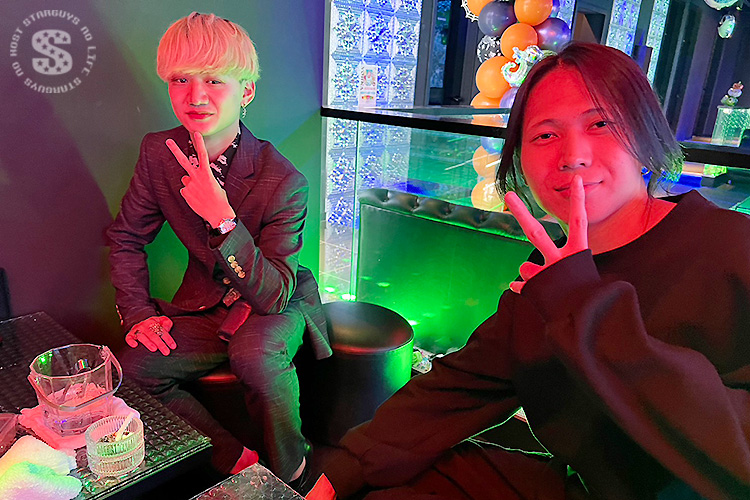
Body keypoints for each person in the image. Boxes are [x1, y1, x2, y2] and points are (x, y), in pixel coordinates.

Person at [308, 42, 750, 499]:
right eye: (545, 135)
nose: (573, 155)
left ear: (645, 134)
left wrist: (581, 306)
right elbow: (461, 385)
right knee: (392, 482)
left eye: (600, 123)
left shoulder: (732, 248)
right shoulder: (553, 273)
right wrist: (343, 472)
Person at [106, 13, 329, 483]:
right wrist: (138, 314)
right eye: (180, 80)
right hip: (209, 305)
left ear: (246, 91)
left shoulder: (284, 179)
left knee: (255, 357)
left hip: (275, 298)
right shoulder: (159, 154)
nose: (195, 96)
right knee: (134, 369)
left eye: (213, 80)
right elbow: (126, 238)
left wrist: (222, 219)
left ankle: (296, 472)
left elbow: (273, 294)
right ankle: (235, 461)